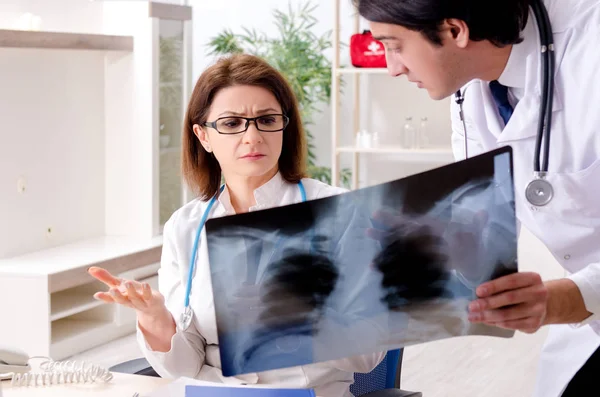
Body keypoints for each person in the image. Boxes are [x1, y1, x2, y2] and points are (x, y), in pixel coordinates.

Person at [88, 53, 385, 396]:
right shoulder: (185, 227)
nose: (252, 136)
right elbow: (184, 367)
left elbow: (368, 357)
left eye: (267, 119)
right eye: (231, 124)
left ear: (284, 126)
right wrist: (155, 317)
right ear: (203, 136)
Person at [353, 0, 600, 396]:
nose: (391, 67)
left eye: (394, 45)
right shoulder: (468, 83)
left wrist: (563, 299)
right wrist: (446, 242)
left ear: (455, 31)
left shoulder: (591, 51)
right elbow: (485, 224)